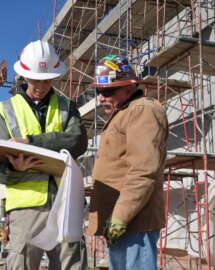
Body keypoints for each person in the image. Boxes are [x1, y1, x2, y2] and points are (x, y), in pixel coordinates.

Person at [0, 40, 88, 270]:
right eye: (35, 79)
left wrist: (31, 143)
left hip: (65, 202)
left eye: (47, 80)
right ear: (24, 76)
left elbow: (77, 141)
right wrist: (14, 168)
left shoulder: (66, 106)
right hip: (27, 207)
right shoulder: (6, 110)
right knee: (21, 263)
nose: (41, 86)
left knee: (71, 264)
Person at [86, 54, 169, 270]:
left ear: (129, 87)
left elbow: (143, 171)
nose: (101, 98)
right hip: (122, 221)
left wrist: (121, 217)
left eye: (107, 92)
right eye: (98, 92)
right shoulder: (125, 111)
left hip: (134, 222)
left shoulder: (142, 110)